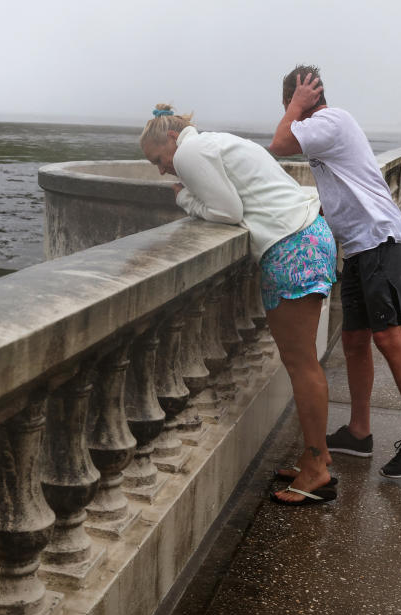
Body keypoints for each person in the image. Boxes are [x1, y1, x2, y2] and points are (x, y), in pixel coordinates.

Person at [141, 104, 337, 505]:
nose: (162, 169)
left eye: (158, 160)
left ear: (171, 141)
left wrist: (185, 203)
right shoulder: (213, 143)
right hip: (307, 236)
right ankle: (314, 458)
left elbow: (227, 212)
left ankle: (318, 470)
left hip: (292, 248)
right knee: (304, 363)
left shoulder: (188, 154)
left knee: (303, 365)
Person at [268, 65, 401, 478]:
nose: (288, 111)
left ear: (304, 97)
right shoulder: (325, 132)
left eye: (289, 102)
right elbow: (338, 189)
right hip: (361, 246)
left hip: (380, 238)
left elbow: (278, 144)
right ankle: (360, 432)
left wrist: (295, 106)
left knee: (388, 335)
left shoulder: (329, 120)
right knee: (354, 341)